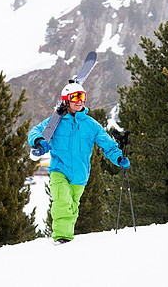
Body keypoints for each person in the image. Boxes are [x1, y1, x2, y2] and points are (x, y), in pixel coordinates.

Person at [28, 82, 130, 244]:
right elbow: (35, 131)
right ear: (66, 100)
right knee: (63, 201)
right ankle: (62, 237)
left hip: (81, 175)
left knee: (73, 206)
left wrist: (119, 158)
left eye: (82, 96)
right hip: (59, 170)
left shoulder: (91, 125)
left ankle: (67, 238)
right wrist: (39, 140)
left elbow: (107, 144)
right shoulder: (56, 121)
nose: (80, 100)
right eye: (75, 97)